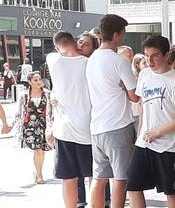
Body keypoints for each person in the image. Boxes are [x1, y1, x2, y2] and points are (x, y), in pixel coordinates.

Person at [126, 36, 175, 208]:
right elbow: (142, 106)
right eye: (147, 56)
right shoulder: (144, 75)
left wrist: (157, 132)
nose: (150, 60)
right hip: (144, 143)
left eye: (155, 55)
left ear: (166, 55)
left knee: (172, 191)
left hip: (169, 146)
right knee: (133, 185)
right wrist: (141, 133)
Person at [86, 14, 139, 208]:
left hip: (97, 127)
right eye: (123, 33)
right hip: (118, 126)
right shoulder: (119, 61)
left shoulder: (91, 60)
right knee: (121, 178)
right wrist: (125, 88)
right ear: (117, 34)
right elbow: (135, 96)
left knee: (99, 179)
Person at [48, 31, 93, 208]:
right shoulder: (89, 63)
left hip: (63, 128)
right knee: (93, 175)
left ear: (57, 46)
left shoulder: (53, 60)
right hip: (87, 126)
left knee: (68, 178)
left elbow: (60, 52)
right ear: (74, 42)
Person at [76, 30, 109, 208]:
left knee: (99, 164)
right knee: (80, 164)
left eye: (86, 44)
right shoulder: (68, 63)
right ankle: (81, 200)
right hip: (76, 122)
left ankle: (104, 200)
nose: (81, 45)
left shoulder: (95, 64)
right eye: (80, 42)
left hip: (96, 118)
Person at [14, 71, 53, 184]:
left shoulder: (47, 94)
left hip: (43, 125)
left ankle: (37, 172)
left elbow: (53, 110)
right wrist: (12, 125)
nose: (39, 82)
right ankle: (40, 175)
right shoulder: (24, 95)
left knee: (42, 150)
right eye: (35, 80)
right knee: (38, 149)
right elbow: (19, 112)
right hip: (30, 126)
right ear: (30, 82)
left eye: (40, 79)